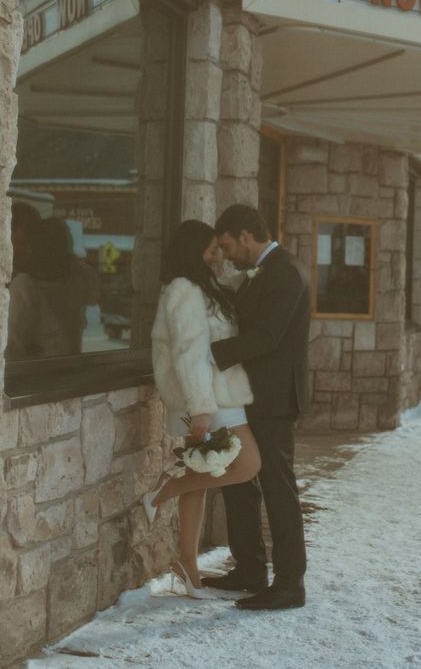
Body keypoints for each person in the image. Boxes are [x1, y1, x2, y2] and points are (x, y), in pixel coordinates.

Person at [201, 204, 310, 611]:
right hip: (251, 395)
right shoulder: (265, 272)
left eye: (228, 246)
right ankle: (249, 568)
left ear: (246, 234)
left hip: (275, 398)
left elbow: (267, 336)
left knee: (278, 489)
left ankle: (289, 584)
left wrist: (207, 354)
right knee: (238, 478)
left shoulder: (284, 271)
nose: (227, 255)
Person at [147, 220, 261, 599]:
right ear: (193, 250)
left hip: (216, 394)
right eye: (212, 250)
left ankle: (187, 565)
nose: (218, 257)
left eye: (219, 249)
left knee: (200, 482)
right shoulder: (183, 290)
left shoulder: (202, 287)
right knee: (248, 464)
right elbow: (189, 353)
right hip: (206, 398)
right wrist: (200, 410)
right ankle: (165, 488)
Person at [6, 217, 99, 360]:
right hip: (69, 367)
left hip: (35, 374)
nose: (18, 250)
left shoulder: (24, 287)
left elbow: (12, 349)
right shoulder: (79, 276)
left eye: (24, 244)